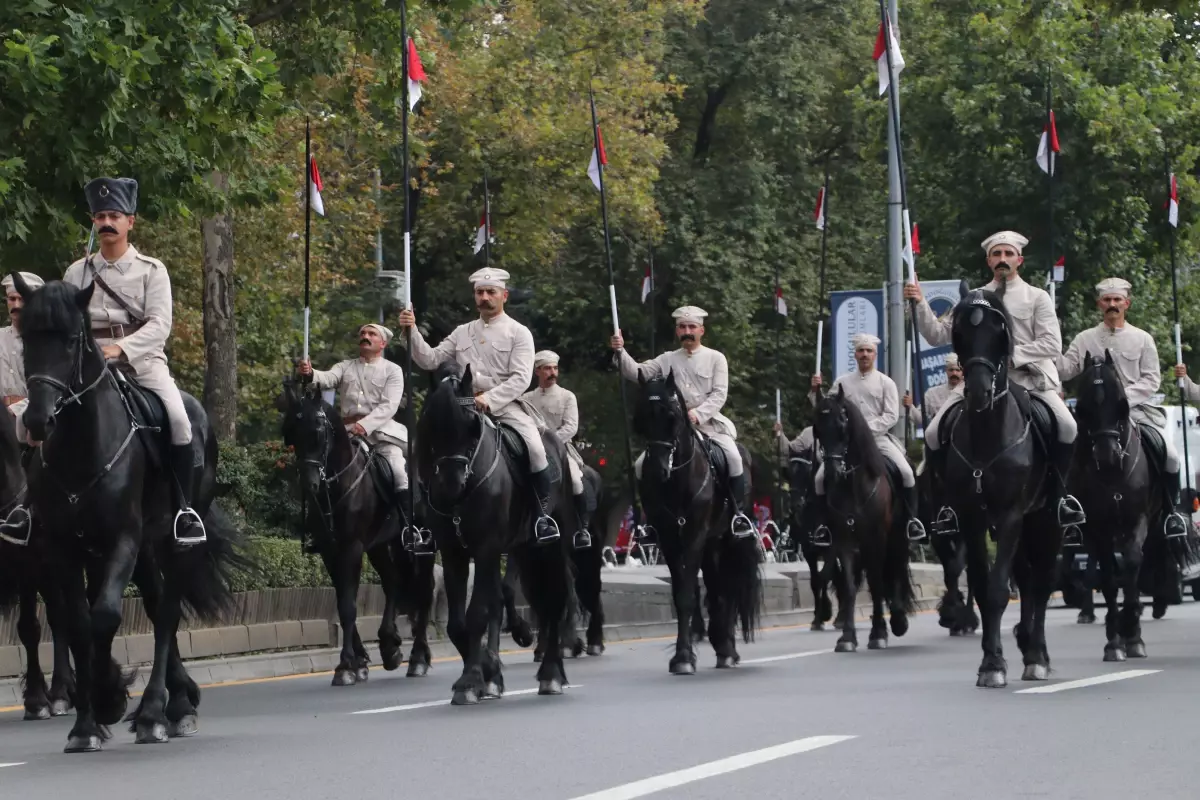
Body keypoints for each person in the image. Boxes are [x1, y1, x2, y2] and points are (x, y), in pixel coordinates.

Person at [904, 230, 1085, 538]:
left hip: (1028, 379)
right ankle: (947, 504)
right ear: (989, 260)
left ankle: (1061, 497)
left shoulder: (1036, 297)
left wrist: (1011, 356)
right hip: (982, 381)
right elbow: (937, 334)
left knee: (1067, 426)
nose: (1003, 259)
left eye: (1008, 254)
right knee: (934, 432)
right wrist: (919, 303)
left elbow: (1052, 344)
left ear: (1019, 260)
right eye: (997, 254)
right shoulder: (974, 298)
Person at [60, 177, 205, 543]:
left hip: (141, 363)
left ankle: (184, 510)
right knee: (37, 415)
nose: (106, 222)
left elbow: (160, 324)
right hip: (84, 365)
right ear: (94, 221)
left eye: (114, 215)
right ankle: (27, 506)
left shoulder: (151, 270)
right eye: (100, 216)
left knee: (180, 419)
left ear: (130, 222)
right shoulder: (76, 273)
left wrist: (119, 350)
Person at [397, 268, 560, 543]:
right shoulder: (463, 332)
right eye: (479, 293)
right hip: (462, 406)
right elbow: (430, 359)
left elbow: (521, 378)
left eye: (491, 292)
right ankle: (426, 521)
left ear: (504, 296)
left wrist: (490, 398)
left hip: (505, 405)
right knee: (426, 446)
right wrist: (410, 330)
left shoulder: (519, 333)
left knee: (535, 449)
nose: (484, 297)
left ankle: (542, 517)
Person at [610, 305, 756, 538]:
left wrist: (697, 414)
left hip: (708, 425)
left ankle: (738, 515)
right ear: (677, 331)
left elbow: (719, 394)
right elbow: (638, 373)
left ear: (701, 330)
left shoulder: (716, 358)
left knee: (734, 458)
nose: (687, 331)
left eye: (692, 327)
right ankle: (649, 518)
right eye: (682, 327)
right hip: (673, 430)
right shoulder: (666, 359)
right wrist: (621, 352)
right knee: (640, 466)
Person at [1059, 278, 1188, 538]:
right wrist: (1050, 347)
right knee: (1065, 449)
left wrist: (1120, 399)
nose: (1112, 305)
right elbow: (1065, 369)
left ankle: (1171, 514)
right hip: (1095, 419)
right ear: (1099, 304)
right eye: (1107, 300)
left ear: (1126, 303)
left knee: (1171, 455)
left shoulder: (1142, 339)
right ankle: (1069, 512)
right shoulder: (1085, 338)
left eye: (1117, 300)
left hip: (1135, 411)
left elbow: (1152, 379)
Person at [810, 333, 926, 543]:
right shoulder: (842, 382)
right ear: (855, 354)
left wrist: (864, 430)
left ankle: (912, 521)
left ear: (875, 355)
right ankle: (822, 525)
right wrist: (814, 391)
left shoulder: (886, 383)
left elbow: (891, 415)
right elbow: (826, 409)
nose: (865, 355)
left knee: (907, 473)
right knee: (819, 479)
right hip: (846, 445)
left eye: (869, 351)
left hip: (878, 439)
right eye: (861, 351)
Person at [297, 323, 414, 527]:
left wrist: (365, 425)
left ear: (383, 343)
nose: (365, 336)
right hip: (347, 434)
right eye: (362, 333)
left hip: (381, 435)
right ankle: (318, 526)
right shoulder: (345, 366)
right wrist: (310, 373)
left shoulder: (392, 370)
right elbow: (326, 378)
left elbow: (389, 405)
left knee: (398, 472)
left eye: (371, 334)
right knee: (321, 468)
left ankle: (408, 528)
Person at [522, 350, 593, 548]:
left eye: (555, 368)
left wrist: (549, 444)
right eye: (547, 368)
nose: (552, 372)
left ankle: (582, 529)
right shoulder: (525, 398)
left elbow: (571, 427)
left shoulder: (567, 397)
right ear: (537, 372)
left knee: (575, 480)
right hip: (531, 449)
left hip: (562, 449)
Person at [0, 271, 44, 541]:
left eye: (21, 298)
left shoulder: (45, 341)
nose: (15, 305)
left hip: (35, 426)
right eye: (10, 299)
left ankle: (28, 516)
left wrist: (16, 408)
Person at [902, 352, 965, 428]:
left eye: (958, 370)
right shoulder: (932, 393)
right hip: (939, 435)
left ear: (963, 372)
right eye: (951, 370)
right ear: (946, 371)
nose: (954, 373)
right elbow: (919, 419)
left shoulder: (971, 392)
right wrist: (910, 406)